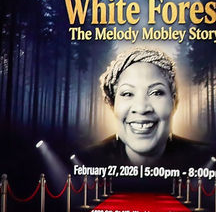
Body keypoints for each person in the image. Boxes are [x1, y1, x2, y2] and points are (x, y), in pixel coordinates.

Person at [79, 47, 210, 170]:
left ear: (174, 102)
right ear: (113, 104)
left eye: (157, 92)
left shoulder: (207, 158)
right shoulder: (85, 161)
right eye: (127, 94)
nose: (141, 108)